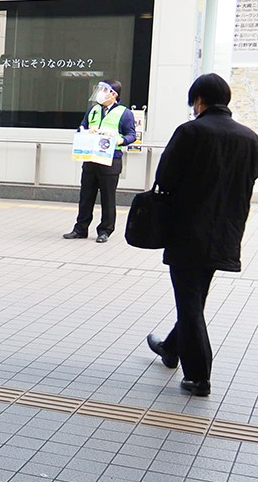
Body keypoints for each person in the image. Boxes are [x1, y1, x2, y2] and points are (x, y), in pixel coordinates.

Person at [145, 74, 258, 396]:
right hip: (226, 231)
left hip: (187, 230)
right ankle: (170, 347)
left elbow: (164, 178)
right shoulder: (250, 138)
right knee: (195, 297)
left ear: (198, 100)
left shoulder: (190, 131)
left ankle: (199, 376)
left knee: (190, 304)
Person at [63, 79, 136, 243]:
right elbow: (80, 129)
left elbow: (132, 135)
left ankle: (105, 230)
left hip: (110, 160)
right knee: (86, 196)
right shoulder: (93, 110)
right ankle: (80, 228)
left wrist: (120, 140)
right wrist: (88, 130)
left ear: (113, 94)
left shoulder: (124, 113)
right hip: (90, 158)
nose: (100, 93)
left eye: (104, 90)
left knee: (107, 197)